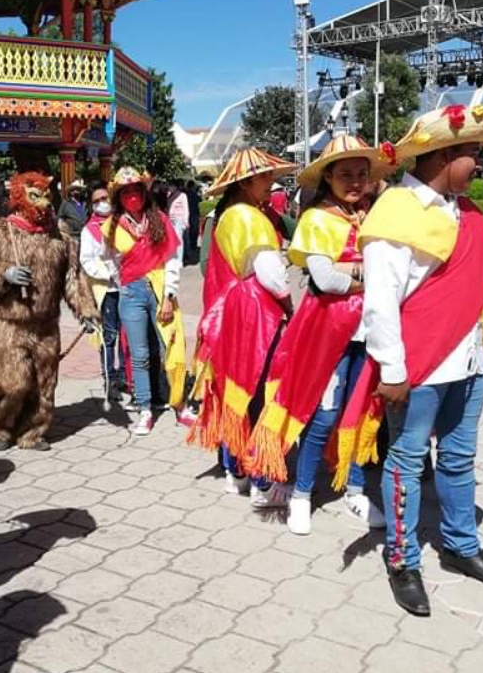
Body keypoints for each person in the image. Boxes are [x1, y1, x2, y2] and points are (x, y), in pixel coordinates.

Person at [333, 105, 483, 617]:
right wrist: (392, 371)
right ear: (441, 155)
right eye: (472, 153)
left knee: (459, 459)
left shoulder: (470, 213)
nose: (479, 163)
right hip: (418, 367)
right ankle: (402, 559)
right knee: (407, 463)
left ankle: (460, 545)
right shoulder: (395, 211)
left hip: (468, 363)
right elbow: (381, 301)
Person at [245, 136, 385, 533]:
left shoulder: (372, 216)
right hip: (326, 333)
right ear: (328, 177)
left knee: (360, 410)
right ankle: (302, 495)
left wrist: (350, 273)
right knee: (322, 415)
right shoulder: (317, 219)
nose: (355, 182)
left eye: (361, 174)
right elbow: (325, 281)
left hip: (370, 331)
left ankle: (354, 489)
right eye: (345, 174)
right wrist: (369, 275)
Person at [188, 148, 296, 507]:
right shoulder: (249, 217)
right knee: (261, 395)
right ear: (245, 183)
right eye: (264, 177)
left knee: (233, 392)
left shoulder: (226, 216)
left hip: (228, 313)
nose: (271, 183)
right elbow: (272, 274)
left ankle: (235, 473)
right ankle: (263, 482)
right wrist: (289, 306)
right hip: (254, 314)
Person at [0, 172, 99, 450]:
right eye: (35, 196)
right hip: (8, 321)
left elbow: (73, 277)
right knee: (13, 381)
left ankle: (32, 432)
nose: (43, 203)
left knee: (43, 381)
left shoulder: (59, 234)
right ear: (18, 198)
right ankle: (1, 426)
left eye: (46, 196)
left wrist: (87, 311)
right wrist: (4, 273)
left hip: (46, 323)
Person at [103, 168, 187, 435]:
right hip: (131, 293)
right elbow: (108, 259)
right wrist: (124, 282)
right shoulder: (112, 226)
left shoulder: (159, 220)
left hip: (161, 290)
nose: (132, 196)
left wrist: (168, 295)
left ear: (143, 192)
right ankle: (145, 408)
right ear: (119, 197)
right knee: (138, 355)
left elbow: (172, 259)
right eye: (125, 192)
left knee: (171, 347)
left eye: (135, 190)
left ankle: (179, 403)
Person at [79, 181, 124, 409]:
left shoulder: (124, 222)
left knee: (127, 336)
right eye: (96, 201)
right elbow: (86, 260)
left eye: (104, 198)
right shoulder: (89, 230)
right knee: (109, 337)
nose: (101, 204)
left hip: (127, 286)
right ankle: (110, 380)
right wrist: (106, 274)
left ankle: (126, 377)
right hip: (105, 289)